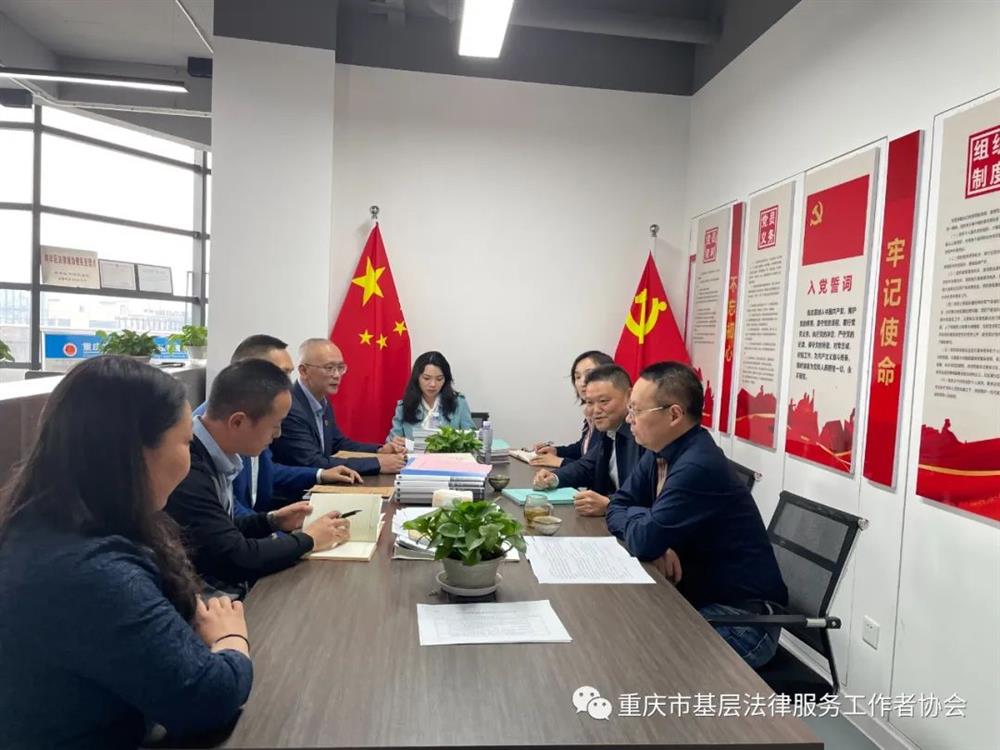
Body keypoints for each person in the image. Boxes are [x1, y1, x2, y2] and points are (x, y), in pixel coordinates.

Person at [0, 356, 253, 749]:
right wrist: (231, 637)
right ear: (135, 451)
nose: (189, 460)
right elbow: (208, 697)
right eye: (186, 442)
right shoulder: (88, 570)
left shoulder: (48, 523)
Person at [605, 362, 787, 669]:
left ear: (674, 415)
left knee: (643, 662)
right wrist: (648, 525)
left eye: (636, 410)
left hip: (743, 621)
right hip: (697, 599)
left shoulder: (698, 466)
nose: (628, 418)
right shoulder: (659, 451)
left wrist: (649, 530)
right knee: (622, 637)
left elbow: (643, 540)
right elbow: (616, 505)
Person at [166, 359, 350, 596]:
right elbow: (236, 558)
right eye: (275, 425)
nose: (278, 434)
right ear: (238, 421)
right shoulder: (189, 468)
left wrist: (272, 521)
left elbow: (220, 530)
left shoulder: (215, 453)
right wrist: (310, 539)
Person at [204, 335, 362, 515]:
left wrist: (319, 474)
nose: (288, 383)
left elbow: (267, 472)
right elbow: (227, 510)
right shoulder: (220, 425)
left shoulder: (256, 415)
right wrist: (278, 528)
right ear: (250, 373)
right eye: (281, 375)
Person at [270, 339, 407, 475]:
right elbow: (313, 462)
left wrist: (380, 450)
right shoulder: (290, 407)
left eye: (340, 367)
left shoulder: (322, 400)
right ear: (304, 371)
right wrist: (378, 463)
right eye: (329, 368)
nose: (337, 375)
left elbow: (338, 443)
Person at [532, 364, 643, 517]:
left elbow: (643, 494)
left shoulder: (643, 434)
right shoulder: (610, 430)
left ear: (629, 396)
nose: (595, 410)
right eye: (589, 402)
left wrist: (609, 504)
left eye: (603, 401)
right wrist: (554, 478)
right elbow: (587, 466)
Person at [530, 350, 614, 468]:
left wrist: (561, 461)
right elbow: (584, 449)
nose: (582, 382)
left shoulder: (609, 415)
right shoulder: (589, 413)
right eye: (577, 377)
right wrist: (556, 451)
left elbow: (598, 467)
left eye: (589, 375)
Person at [387, 351, 475, 441]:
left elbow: (472, 439)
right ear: (417, 378)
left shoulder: (459, 404)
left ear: (445, 380)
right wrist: (395, 444)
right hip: (413, 451)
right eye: (426, 378)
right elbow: (391, 442)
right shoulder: (404, 407)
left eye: (439, 379)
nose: (433, 384)